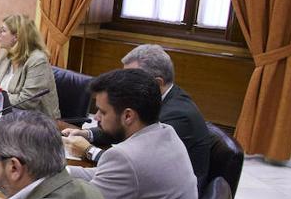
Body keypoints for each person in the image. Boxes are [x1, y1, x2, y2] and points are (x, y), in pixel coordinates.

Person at [66, 68, 198, 199]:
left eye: (102, 111)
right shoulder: (164, 132)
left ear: (128, 116)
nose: (97, 119)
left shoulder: (127, 157)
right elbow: (101, 176)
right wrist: (55, 171)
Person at [62, 44, 213, 188]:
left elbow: (134, 166)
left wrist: (90, 151)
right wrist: (87, 134)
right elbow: (122, 128)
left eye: (132, 78)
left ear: (156, 83)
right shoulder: (152, 107)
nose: (123, 84)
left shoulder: (176, 117)